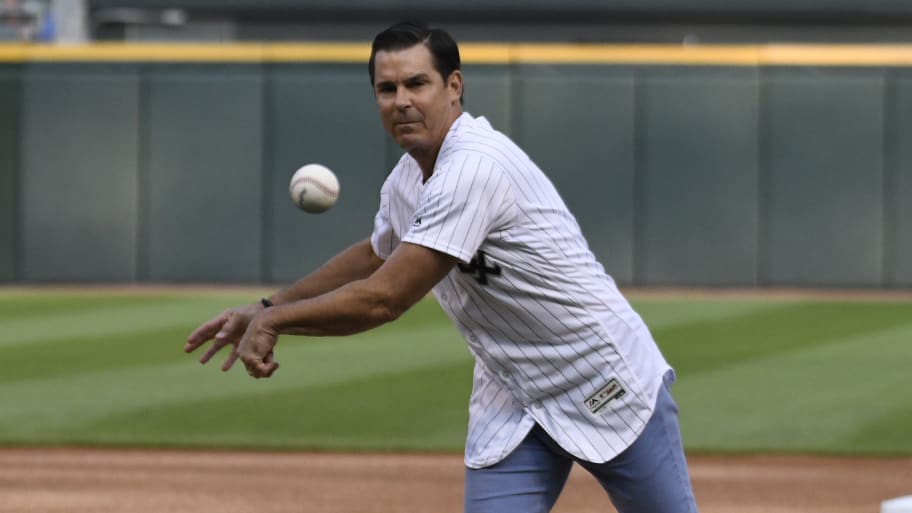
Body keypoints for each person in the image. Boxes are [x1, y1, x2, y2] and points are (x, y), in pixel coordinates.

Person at [185, 21, 699, 513]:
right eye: (387, 89)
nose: (402, 101)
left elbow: (384, 297)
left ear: (454, 86)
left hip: (599, 375)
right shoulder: (409, 177)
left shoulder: (473, 168)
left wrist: (276, 322)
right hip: (513, 392)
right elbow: (377, 254)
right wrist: (268, 304)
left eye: (417, 83)